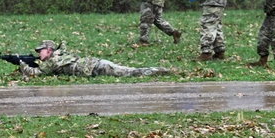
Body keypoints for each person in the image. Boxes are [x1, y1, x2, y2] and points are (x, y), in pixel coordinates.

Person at [19, 40, 171, 78]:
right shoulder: (58, 55)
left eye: (41, 50)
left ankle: (156, 71)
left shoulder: (52, 60)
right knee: (126, 71)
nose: (39, 53)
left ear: (49, 50)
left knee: (128, 72)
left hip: (96, 67)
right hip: (95, 64)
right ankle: (156, 71)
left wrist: (21, 64)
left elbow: (36, 73)